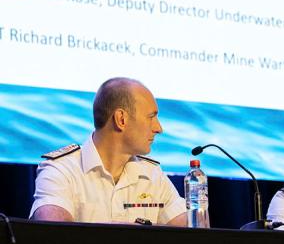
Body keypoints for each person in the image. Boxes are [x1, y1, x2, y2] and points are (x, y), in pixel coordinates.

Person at [29, 77, 187, 226]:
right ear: (121, 119)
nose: (158, 128)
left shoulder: (153, 174)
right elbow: (54, 238)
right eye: (151, 117)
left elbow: (195, 235)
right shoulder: (61, 170)